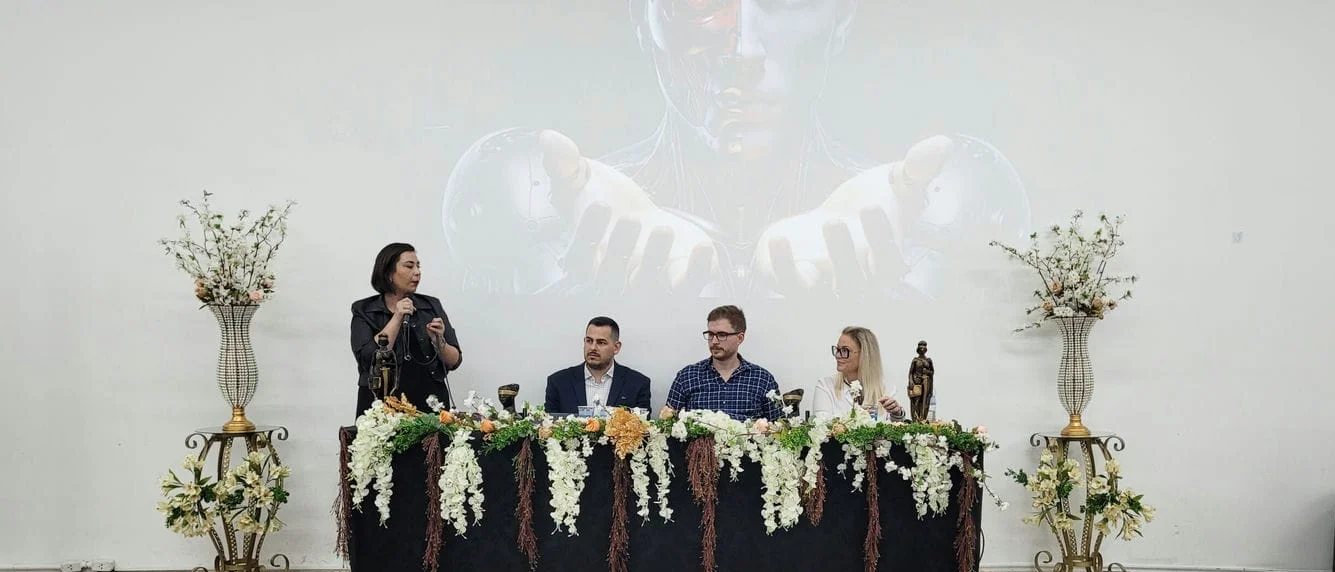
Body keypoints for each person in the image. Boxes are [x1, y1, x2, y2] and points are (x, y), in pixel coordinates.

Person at [442, 1, 1030, 300]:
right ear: (644, 17)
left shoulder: (921, 220)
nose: (743, 47)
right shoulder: (546, 213)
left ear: (842, 18)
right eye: (702, 2)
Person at [351, 243, 463, 418]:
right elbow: (369, 359)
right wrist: (397, 317)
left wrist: (439, 341)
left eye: (418, 266)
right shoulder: (364, 309)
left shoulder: (431, 306)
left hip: (430, 403)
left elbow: (454, 361)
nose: (417, 272)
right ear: (388, 272)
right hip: (381, 406)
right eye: (409, 266)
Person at [665, 305, 783, 421]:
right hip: (698, 435)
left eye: (722, 335)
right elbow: (667, 424)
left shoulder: (762, 379)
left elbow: (779, 427)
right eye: (710, 334)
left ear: (740, 338)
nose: (714, 341)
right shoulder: (687, 377)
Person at [543, 316, 652, 415]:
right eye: (589, 341)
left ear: (616, 347)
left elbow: (642, 427)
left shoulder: (638, 384)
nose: (593, 348)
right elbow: (549, 425)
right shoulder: (558, 382)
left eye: (601, 342)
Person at [813, 326, 906, 421]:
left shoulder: (888, 390)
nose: (837, 355)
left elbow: (895, 427)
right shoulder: (825, 386)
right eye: (837, 349)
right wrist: (858, 417)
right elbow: (821, 424)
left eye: (845, 350)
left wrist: (897, 414)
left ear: (864, 355)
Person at [907, 339, 936, 422]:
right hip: (917, 382)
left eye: (924, 348)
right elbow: (911, 372)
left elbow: (932, 372)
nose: (922, 350)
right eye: (920, 348)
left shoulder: (928, 360)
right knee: (916, 400)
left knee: (925, 400)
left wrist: (927, 372)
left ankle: (922, 418)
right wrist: (911, 381)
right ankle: (915, 418)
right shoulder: (915, 360)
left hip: (926, 382)